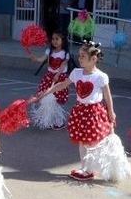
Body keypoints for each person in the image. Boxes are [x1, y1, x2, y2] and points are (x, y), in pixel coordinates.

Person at [36, 42, 116, 181]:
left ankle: (89, 169)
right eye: (79, 56)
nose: (80, 58)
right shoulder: (76, 73)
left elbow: (108, 96)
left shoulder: (100, 76)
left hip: (94, 112)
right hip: (80, 111)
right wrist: (47, 92)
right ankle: (84, 167)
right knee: (81, 141)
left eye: (83, 56)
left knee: (90, 141)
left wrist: (111, 112)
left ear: (93, 59)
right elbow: (62, 84)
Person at [29, 31, 70, 109]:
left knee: (57, 96)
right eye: (53, 39)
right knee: (44, 92)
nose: (54, 41)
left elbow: (63, 65)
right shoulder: (49, 51)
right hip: (49, 76)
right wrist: (36, 59)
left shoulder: (65, 53)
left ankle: (55, 113)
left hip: (60, 77)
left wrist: (57, 75)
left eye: (57, 39)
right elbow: (42, 59)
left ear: (63, 40)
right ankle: (44, 109)